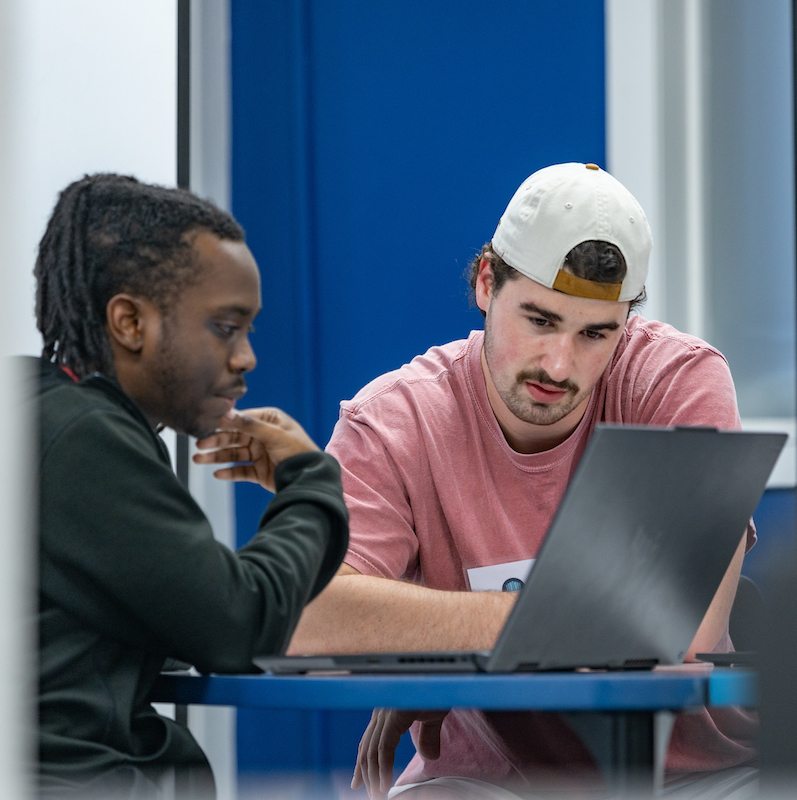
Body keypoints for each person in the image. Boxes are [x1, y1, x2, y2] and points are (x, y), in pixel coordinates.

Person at [283, 163, 757, 798]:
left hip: (696, 775)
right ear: (486, 283)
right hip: (490, 780)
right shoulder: (394, 421)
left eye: (595, 334)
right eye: (539, 320)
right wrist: (546, 625)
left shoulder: (675, 382)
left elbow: (678, 636)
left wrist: (426, 642)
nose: (559, 365)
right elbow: (303, 615)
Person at [32, 174, 349, 797]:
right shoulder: (84, 439)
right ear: (129, 322)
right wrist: (310, 478)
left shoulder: (42, 413)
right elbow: (240, 623)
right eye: (225, 328)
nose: (247, 358)